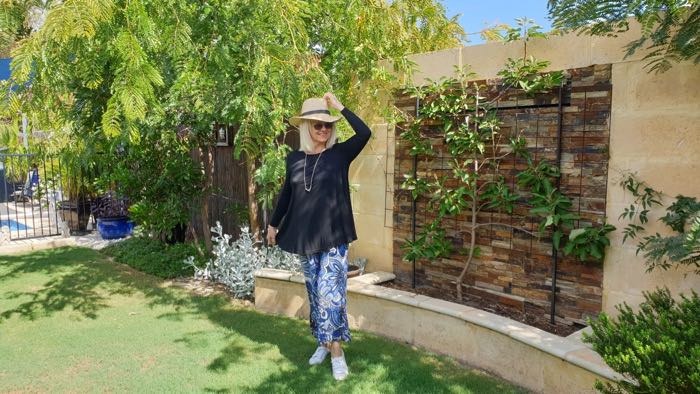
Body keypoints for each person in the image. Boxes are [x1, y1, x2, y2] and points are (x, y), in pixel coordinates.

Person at [267, 92, 371, 381]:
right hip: (305, 237)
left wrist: (339, 107)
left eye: (327, 125)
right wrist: (273, 225)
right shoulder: (294, 159)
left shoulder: (340, 154)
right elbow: (286, 195)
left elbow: (365, 132)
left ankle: (337, 351)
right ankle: (323, 343)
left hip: (335, 237)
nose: (323, 130)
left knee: (330, 294)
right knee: (315, 294)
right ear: (306, 128)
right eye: (317, 125)